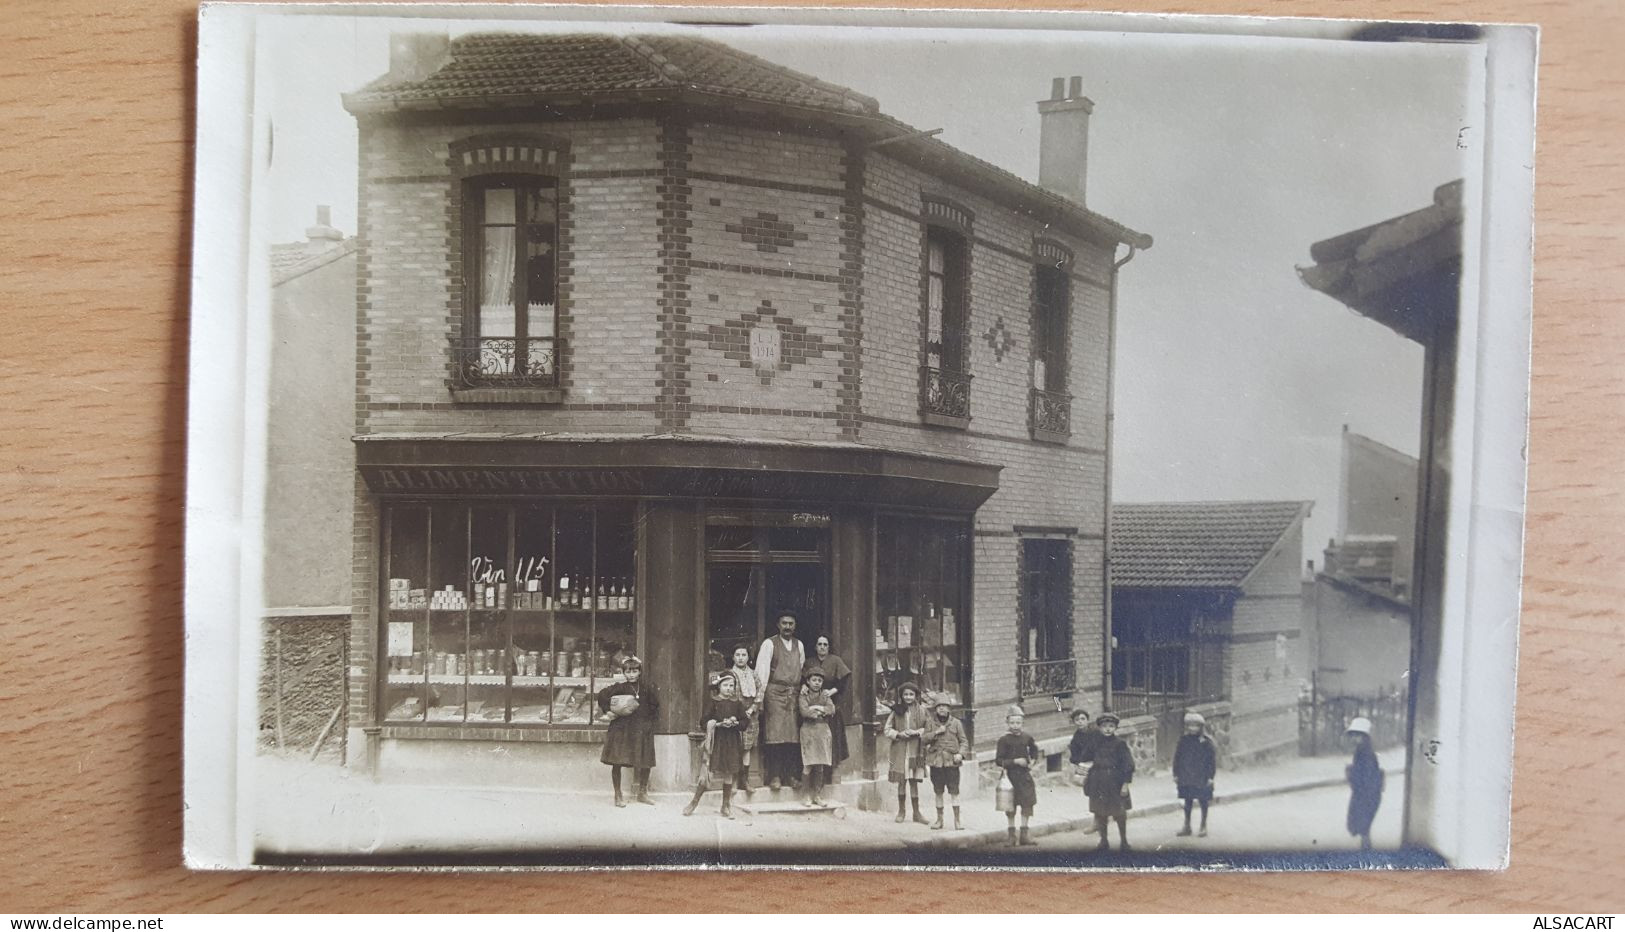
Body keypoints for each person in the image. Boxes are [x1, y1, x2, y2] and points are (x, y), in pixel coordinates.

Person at [597, 656, 660, 807]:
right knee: (617, 761)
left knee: (646, 761)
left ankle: (642, 793)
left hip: (641, 729)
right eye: (628, 672)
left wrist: (649, 723)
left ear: (639, 672)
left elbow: (655, 706)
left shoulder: (646, 688)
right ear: (624, 673)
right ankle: (618, 795)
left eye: (635, 671)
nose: (632, 675)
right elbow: (602, 695)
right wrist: (609, 711)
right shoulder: (619, 687)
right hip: (622, 729)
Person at [753, 614, 806, 792]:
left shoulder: (799, 645)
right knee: (774, 736)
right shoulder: (769, 644)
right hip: (774, 693)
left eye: (791, 623)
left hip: (793, 694)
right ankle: (774, 776)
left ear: (795, 625)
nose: (787, 627)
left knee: (792, 737)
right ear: (778, 624)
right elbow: (761, 672)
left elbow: (801, 667)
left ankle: (789, 776)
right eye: (784, 623)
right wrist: (759, 699)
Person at [683, 671, 747, 819]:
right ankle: (693, 802)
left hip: (731, 742)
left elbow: (745, 722)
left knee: (729, 773)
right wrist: (716, 724)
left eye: (731, 685)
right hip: (716, 742)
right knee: (708, 772)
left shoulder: (737, 704)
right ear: (719, 686)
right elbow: (703, 721)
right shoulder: (713, 702)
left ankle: (725, 806)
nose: (729, 688)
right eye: (725, 685)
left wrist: (735, 723)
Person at [1085, 711, 1135, 851]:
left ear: (1115, 728)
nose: (1108, 729)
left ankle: (1124, 841)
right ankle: (1103, 841)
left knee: (1119, 813)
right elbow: (1084, 757)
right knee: (1100, 812)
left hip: (1115, 782)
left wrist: (1125, 784)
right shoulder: (1094, 743)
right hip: (1098, 781)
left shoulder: (1120, 744)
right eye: (1104, 726)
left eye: (1111, 726)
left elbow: (1128, 765)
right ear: (1099, 728)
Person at [883, 681, 931, 824]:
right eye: (906, 694)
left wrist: (917, 732)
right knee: (902, 781)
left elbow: (929, 728)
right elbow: (887, 729)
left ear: (916, 695)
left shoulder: (923, 711)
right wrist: (898, 734)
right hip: (901, 751)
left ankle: (916, 813)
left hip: (916, 750)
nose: (908, 697)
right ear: (901, 696)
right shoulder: (896, 711)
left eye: (911, 694)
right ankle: (901, 811)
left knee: (914, 781)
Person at [994, 705, 1041, 847]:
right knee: (1010, 806)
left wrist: (1032, 761)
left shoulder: (1027, 737)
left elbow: (1034, 750)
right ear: (1007, 723)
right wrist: (1014, 761)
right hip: (1010, 777)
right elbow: (998, 760)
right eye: (1012, 723)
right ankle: (1011, 836)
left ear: (1023, 723)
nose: (1015, 726)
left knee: (1027, 804)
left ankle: (1025, 836)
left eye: (1018, 723)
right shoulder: (1004, 740)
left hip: (1025, 777)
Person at [921, 695, 970, 830]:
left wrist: (960, 754)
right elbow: (924, 739)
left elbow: (964, 741)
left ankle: (957, 821)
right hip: (936, 763)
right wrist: (936, 732)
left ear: (949, 709)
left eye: (945, 706)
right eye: (939, 706)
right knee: (938, 792)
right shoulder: (930, 723)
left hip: (951, 764)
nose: (942, 709)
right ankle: (939, 820)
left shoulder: (956, 723)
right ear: (935, 709)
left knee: (954, 792)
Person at [804, 635, 851, 770]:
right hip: (812, 703)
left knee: (831, 737)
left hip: (831, 702)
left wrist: (832, 691)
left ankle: (831, 770)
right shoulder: (810, 662)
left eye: (825, 644)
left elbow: (844, 681)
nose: (822, 647)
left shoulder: (835, 661)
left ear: (829, 647)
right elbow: (803, 680)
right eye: (820, 644)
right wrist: (804, 687)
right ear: (815, 647)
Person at [1172, 711, 1217, 837]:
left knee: (1203, 801)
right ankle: (1187, 826)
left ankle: (1203, 826)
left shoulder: (1206, 742)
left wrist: (1210, 777)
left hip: (1202, 776)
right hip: (1186, 776)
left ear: (1201, 727)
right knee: (1188, 801)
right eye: (1190, 725)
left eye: (1195, 726)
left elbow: (1211, 761)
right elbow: (1177, 758)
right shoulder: (1184, 740)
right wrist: (1176, 774)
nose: (1192, 728)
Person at [797, 668, 836, 806]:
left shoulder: (825, 695)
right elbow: (804, 712)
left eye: (819, 680)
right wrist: (820, 710)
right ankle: (806, 795)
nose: (816, 683)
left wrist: (817, 708)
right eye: (813, 680)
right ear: (808, 681)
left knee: (820, 765)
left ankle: (817, 795)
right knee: (808, 764)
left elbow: (831, 709)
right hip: (808, 731)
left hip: (823, 731)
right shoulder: (803, 695)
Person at [726, 645, 761, 794]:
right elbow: (727, 694)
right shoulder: (729, 674)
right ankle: (733, 781)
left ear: (748, 657)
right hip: (735, 715)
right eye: (738, 654)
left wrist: (752, 709)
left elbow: (760, 693)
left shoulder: (753, 675)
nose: (741, 657)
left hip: (751, 716)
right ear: (733, 657)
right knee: (735, 747)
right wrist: (738, 712)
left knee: (747, 748)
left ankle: (744, 780)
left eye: (744, 654)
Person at [1344, 716, 1384, 850]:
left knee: (1364, 828)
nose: (1354, 739)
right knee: (1364, 829)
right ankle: (1366, 850)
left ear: (1365, 737)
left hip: (1367, 795)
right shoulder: (1361, 751)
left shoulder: (1366, 753)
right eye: (1353, 735)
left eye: (1358, 736)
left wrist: (1351, 774)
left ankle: (1367, 854)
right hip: (1367, 794)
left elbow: (1367, 777)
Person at [1067, 707, 1100, 790]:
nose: (1080, 722)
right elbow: (1074, 753)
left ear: (1087, 720)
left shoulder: (1096, 732)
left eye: (1083, 719)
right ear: (1074, 722)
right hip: (1085, 764)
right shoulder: (1076, 736)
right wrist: (1077, 762)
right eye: (1077, 720)